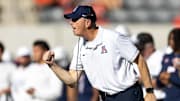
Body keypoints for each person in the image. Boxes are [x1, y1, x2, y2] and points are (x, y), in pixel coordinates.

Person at [43, 5, 156, 101]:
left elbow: (139, 60)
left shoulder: (113, 38)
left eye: (75, 19)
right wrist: (52, 65)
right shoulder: (79, 46)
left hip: (127, 94)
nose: (71, 23)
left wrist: (149, 91)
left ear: (87, 22)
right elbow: (72, 80)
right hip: (105, 97)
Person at [135, 33, 166, 101]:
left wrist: (142, 80)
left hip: (157, 98)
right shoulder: (140, 58)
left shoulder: (161, 58)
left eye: (142, 49)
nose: (139, 52)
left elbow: (164, 82)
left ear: (150, 47)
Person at [156, 28, 180, 101]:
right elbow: (159, 80)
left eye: (173, 39)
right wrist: (161, 78)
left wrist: (170, 77)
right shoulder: (167, 57)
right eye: (169, 39)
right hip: (168, 97)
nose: (170, 41)